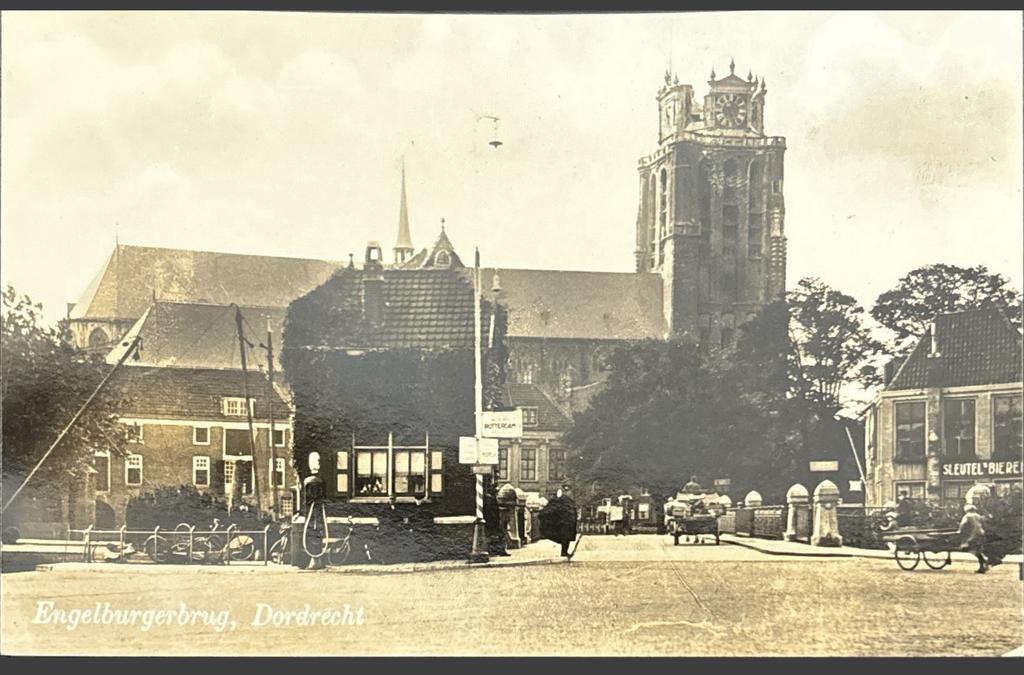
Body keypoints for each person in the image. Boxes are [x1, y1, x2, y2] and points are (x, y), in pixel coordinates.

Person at [539, 484, 578, 558]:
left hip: (568, 522)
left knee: (566, 537)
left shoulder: (568, 500)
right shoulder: (561, 500)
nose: (568, 493)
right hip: (564, 522)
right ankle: (564, 552)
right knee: (565, 537)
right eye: (566, 491)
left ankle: (564, 552)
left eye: (568, 491)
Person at [958, 503, 989, 574]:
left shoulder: (967, 516)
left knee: (970, 548)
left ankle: (984, 562)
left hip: (974, 534)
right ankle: (982, 566)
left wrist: (959, 530)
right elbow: (983, 523)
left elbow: (963, 524)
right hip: (981, 533)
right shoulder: (978, 516)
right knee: (977, 549)